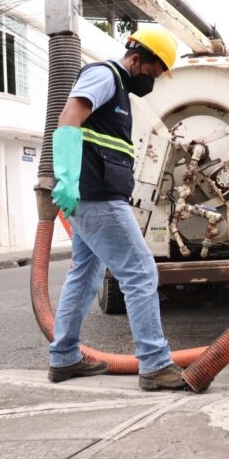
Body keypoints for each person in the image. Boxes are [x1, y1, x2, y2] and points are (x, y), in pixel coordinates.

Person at [48, 28, 184, 390]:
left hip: (96, 197)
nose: (152, 81)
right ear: (136, 58)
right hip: (97, 198)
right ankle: (155, 365)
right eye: (152, 72)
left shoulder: (120, 91)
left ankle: (64, 358)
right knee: (140, 273)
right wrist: (65, 178)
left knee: (86, 275)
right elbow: (69, 117)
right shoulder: (105, 75)